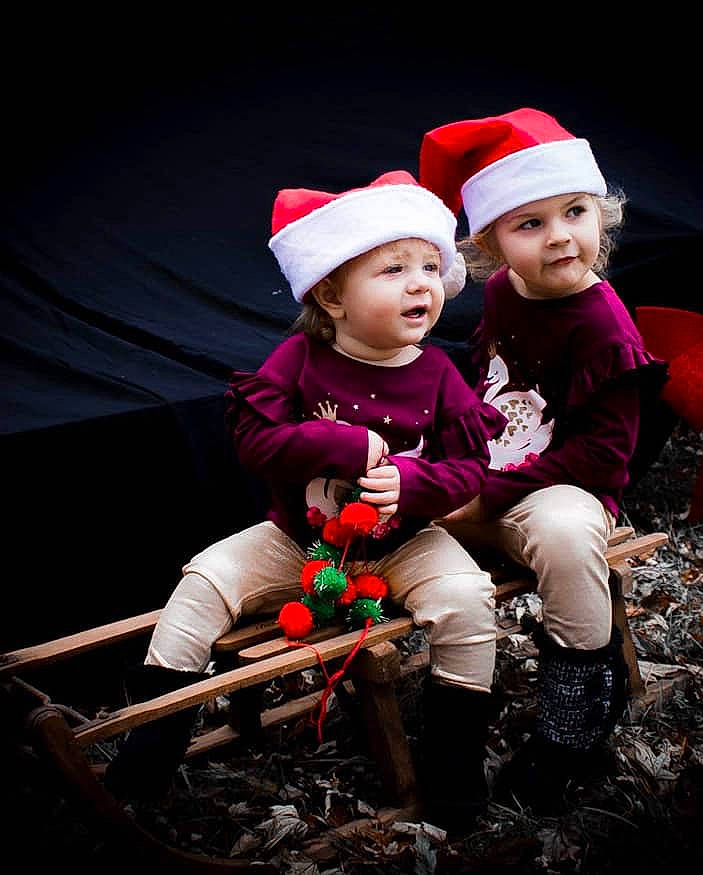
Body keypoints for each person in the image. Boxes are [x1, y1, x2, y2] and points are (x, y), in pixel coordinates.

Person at [103, 170, 508, 832]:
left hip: (405, 541)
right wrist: (339, 442)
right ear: (331, 293)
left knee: (467, 599)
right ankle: (146, 760)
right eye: (393, 267)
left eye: (432, 265)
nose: (421, 282)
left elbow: (469, 470)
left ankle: (455, 769)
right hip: (297, 538)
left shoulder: (438, 371)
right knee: (202, 581)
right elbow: (256, 443)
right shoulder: (299, 358)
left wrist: (413, 485)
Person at [419, 107, 668, 812]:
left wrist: (490, 495)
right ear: (493, 245)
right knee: (407, 489)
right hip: (496, 471)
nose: (561, 235)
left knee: (564, 535)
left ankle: (573, 724)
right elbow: (495, 385)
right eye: (530, 223)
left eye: (575, 212)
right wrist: (452, 462)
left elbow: (604, 453)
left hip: (567, 484)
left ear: (602, 216)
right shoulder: (502, 293)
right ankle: (442, 692)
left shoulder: (603, 324)